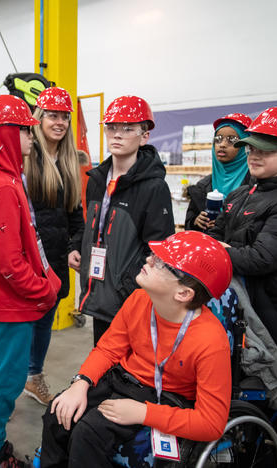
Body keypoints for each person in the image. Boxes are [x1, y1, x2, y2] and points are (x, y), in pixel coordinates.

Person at [40, 231, 233, 468]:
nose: (149, 259)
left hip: (167, 398)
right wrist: (81, 382)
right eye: (154, 254)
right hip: (123, 379)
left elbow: (211, 423)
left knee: (88, 433)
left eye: (161, 263)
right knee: (56, 415)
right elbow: (108, 349)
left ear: (183, 293)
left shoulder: (211, 341)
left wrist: (143, 413)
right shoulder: (139, 300)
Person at [0, 94, 61, 468]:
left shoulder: (1, 178)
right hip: (12, 304)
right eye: (25, 130)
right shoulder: (3, 186)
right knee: (7, 381)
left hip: (2, 300)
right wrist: (43, 290)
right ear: (5, 134)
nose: (31, 138)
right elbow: (8, 260)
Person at [208, 106, 277, 465]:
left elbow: (261, 258)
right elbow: (220, 237)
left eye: (264, 149)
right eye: (251, 147)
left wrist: (222, 251)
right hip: (245, 315)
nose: (253, 154)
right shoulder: (245, 194)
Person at [72, 95, 174, 345]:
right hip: (97, 289)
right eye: (112, 128)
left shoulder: (154, 187)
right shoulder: (97, 179)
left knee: (127, 366)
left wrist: (129, 285)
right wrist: (78, 249)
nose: (117, 135)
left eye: (128, 129)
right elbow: (93, 226)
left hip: (129, 296)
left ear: (144, 135)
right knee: (101, 358)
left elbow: (158, 249)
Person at [22, 87, 84, 406]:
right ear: (39, 118)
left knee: (45, 319)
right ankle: (11, 381)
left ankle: (34, 376)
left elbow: (75, 212)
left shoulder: (69, 160)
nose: (59, 122)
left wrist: (76, 245)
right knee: (21, 324)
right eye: (52, 115)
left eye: (64, 117)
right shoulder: (28, 156)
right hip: (30, 257)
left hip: (56, 257)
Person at [185, 113, 252, 231]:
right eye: (218, 139)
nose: (222, 145)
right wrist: (196, 222)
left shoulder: (256, 186)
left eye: (232, 140)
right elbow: (189, 225)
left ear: (245, 145)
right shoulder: (203, 186)